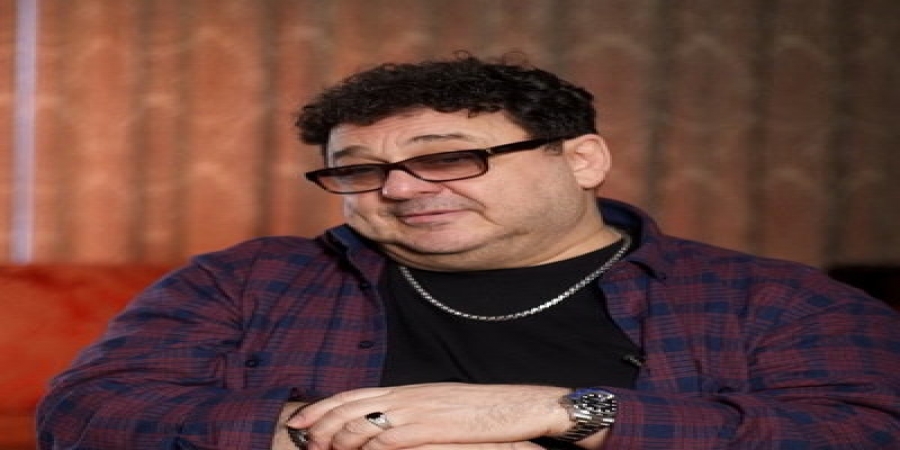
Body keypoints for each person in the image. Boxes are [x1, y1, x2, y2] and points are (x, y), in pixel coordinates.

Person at [37, 53, 900, 450]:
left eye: (449, 157)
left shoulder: (775, 300)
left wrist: (565, 412)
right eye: (362, 169)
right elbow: (87, 413)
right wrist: (363, 436)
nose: (401, 188)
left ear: (582, 159)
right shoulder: (248, 278)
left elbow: (868, 429)